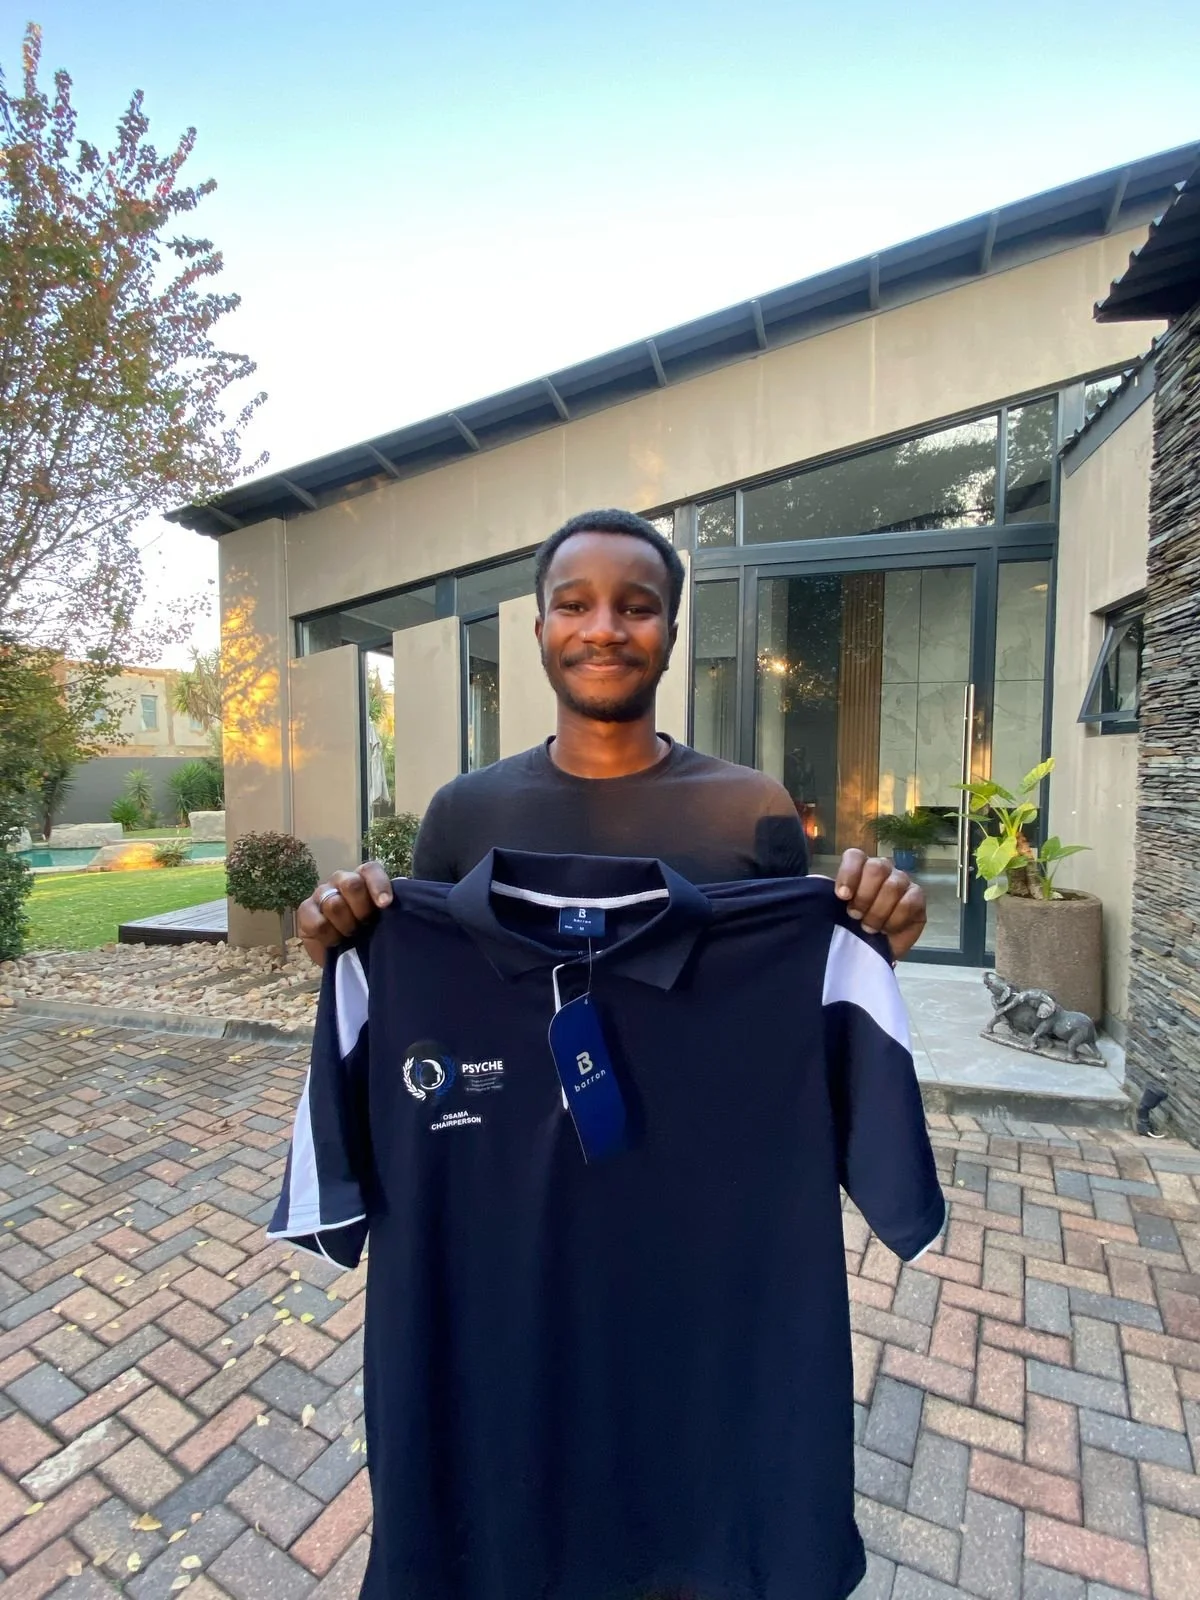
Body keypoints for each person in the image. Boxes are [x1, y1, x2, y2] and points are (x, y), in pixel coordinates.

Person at [298, 508, 927, 962]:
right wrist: (345, 945)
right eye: (573, 606)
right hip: (511, 1143)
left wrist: (877, 941)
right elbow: (427, 980)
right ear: (540, 631)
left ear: (671, 638)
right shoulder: (461, 812)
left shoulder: (752, 809)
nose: (603, 630)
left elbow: (798, 987)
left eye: (636, 607)